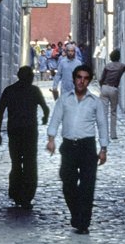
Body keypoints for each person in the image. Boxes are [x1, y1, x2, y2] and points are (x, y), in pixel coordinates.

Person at [46, 64, 109, 234]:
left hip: (87, 146)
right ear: (74, 79)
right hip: (69, 147)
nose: (81, 81)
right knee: (68, 183)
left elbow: (102, 125)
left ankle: (83, 223)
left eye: (85, 78)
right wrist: (51, 139)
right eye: (79, 77)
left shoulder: (95, 102)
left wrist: (103, 149)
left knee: (87, 185)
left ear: (89, 81)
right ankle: (76, 213)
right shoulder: (64, 99)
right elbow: (55, 119)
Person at [0, 65, 50, 209]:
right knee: (30, 163)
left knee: (16, 163)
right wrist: (44, 118)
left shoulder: (9, 91)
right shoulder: (34, 91)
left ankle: (16, 193)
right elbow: (45, 108)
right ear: (30, 77)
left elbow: (0, 112)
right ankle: (27, 195)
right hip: (30, 132)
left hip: (14, 132)